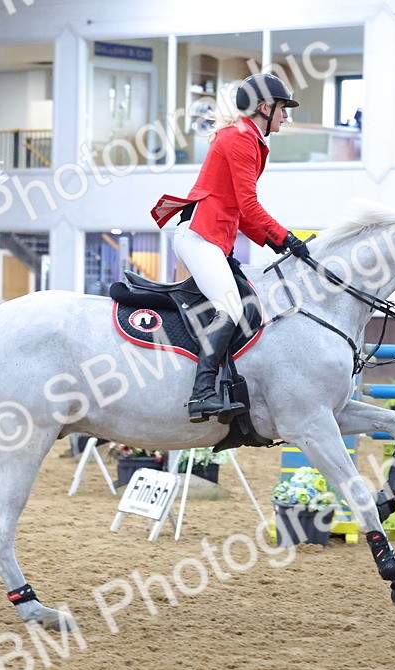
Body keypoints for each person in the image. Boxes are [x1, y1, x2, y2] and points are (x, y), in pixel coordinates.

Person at [150, 73, 310, 423]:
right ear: (265, 108)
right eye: (283, 109)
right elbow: (250, 207)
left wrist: (285, 245)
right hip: (201, 237)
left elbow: (245, 216)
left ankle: (228, 383)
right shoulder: (241, 139)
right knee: (230, 306)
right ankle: (201, 393)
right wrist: (286, 237)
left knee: (251, 305)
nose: (285, 116)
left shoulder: (248, 138)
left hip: (215, 238)